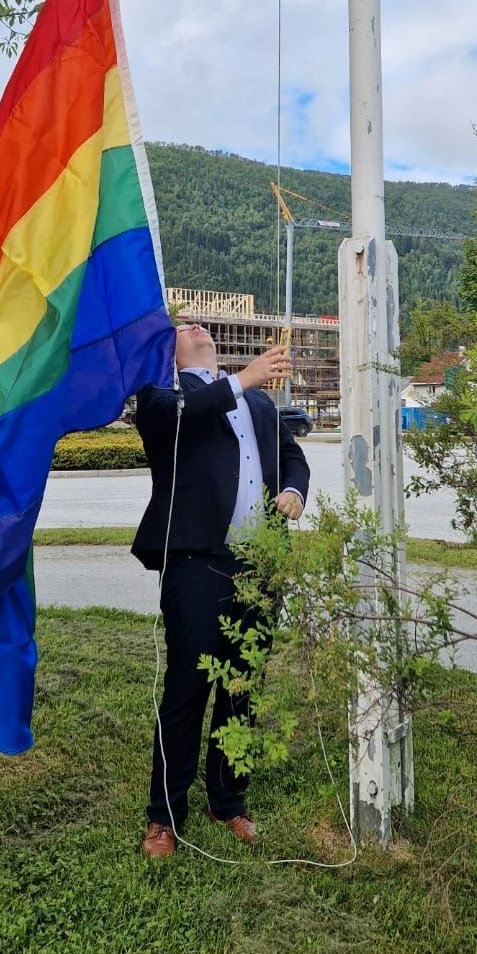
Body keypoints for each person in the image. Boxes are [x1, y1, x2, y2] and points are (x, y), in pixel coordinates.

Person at [131, 322, 310, 858]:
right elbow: (179, 418)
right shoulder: (164, 397)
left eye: (198, 322)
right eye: (182, 326)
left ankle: (227, 800)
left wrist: (296, 489)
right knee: (187, 690)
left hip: (259, 563)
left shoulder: (256, 404)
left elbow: (291, 455)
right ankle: (165, 816)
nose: (195, 325)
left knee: (242, 686)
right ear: (171, 353)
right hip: (196, 563)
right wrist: (243, 378)